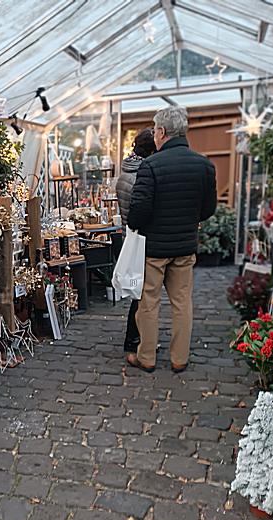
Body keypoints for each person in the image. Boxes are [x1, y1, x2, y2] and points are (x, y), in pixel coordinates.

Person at [126, 106, 217, 373]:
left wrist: (135, 225)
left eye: (155, 130)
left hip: (154, 248)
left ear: (162, 132)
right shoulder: (204, 165)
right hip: (185, 246)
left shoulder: (150, 165)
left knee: (148, 303)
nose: (154, 135)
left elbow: (139, 209)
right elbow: (208, 209)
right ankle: (179, 358)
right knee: (182, 303)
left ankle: (147, 357)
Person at [115, 128, 157, 354]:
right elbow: (141, 210)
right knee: (141, 293)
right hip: (141, 238)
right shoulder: (143, 174)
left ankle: (134, 337)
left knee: (138, 291)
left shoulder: (125, 171)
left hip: (129, 235)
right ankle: (134, 338)